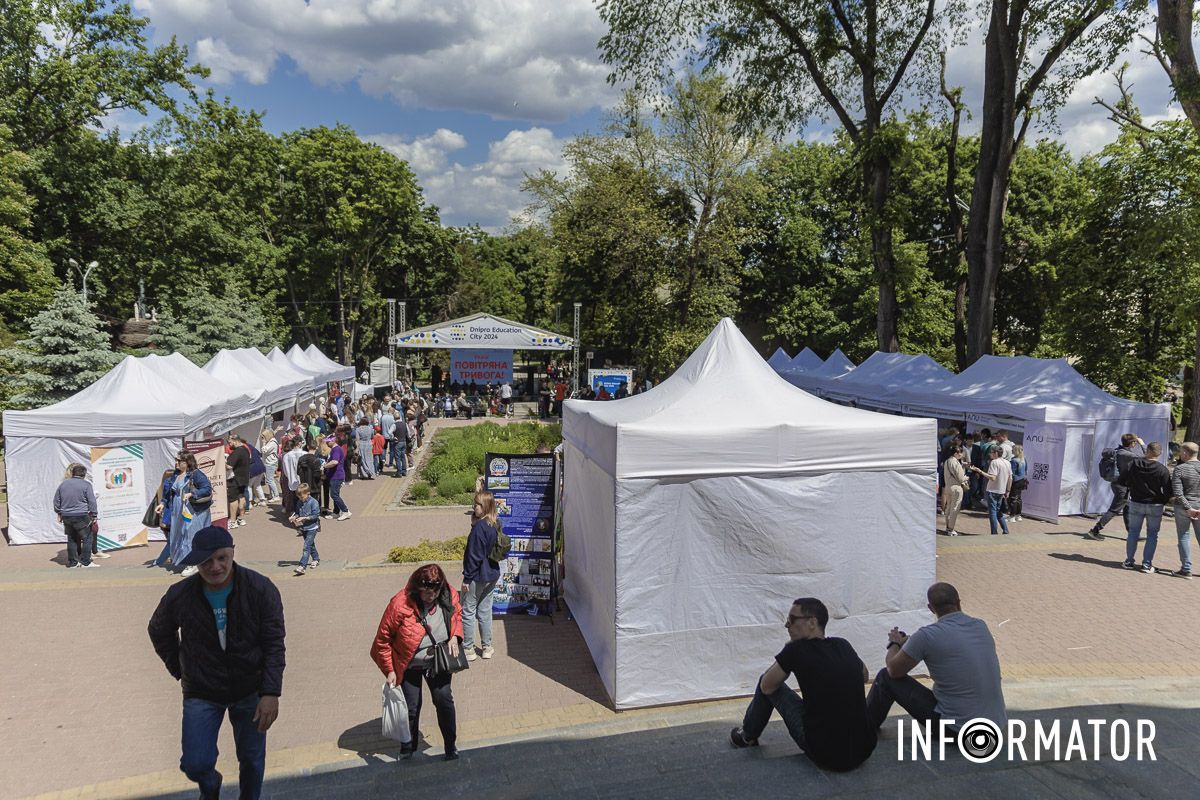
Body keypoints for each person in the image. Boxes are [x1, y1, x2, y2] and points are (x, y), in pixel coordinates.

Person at [147, 526, 285, 800]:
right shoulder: (180, 594)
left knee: (251, 758)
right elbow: (158, 630)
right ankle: (210, 786)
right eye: (206, 561)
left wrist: (270, 692)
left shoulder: (260, 589)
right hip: (202, 692)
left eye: (222, 557)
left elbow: (274, 644)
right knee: (195, 763)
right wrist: (182, 669)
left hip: (249, 690)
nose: (215, 567)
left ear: (233, 552)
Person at [729, 597, 876, 772]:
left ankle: (747, 736)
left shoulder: (795, 650)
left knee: (766, 679)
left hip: (827, 754)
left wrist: (788, 650)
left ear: (812, 622)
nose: (787, 625)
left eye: (791, 620)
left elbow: (767, 687)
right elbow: (865, 676)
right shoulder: (843, 644)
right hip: (864, 749)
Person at [865, 582, 1006, 731]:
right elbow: (950, 641)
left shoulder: (926, 636)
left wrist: (894, 643)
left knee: (885, 678)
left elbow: (893, 670)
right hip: (995, 724)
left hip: (957, 728)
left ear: (931, 608)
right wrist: (911, 641)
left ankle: (864, 729)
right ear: (958, 603)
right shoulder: (980, 625)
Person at [370, 564, 464, 760]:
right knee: (411, 707)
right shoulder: (399, 604)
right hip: (409, 663)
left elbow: (456, 614)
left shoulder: (448, 594)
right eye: (427, 593)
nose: (432, 597)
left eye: (435, 593)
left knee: (444, 701)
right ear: (418, 589)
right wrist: (389, 670)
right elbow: (382, 641)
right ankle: (408, 746)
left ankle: (450, 745)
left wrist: (455, 635)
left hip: (438, 661)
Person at [1120, 441, 1173, 573]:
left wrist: (1132, 487)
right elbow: (1168, 491)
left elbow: (1122, 479)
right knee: (1152, 535)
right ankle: (1146, 564)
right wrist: (1162, 501)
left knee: (1133, 532)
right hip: (1155, 504)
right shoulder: (1162, 469)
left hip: (1136, 501)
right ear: (1159, 454)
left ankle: (1129, 560)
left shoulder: (1133, 464)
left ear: (1147, 451)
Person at [461, 490, 501, 661]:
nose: (474, 507)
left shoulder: (479, 528)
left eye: (477, 504)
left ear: (484, 507)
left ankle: (468, 648)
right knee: (485, 611)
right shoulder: (495, 523)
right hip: (492, 573)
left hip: (477, 576)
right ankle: (487, 647)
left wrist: (466, 579)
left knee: (468, 611)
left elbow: (474, 556)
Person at [1085, 433, 1145, 540]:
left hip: (1120, 485)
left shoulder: (1120, 451)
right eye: (1135, 442)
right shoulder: (1125, 454)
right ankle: (1094, 531)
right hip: (1122, 487)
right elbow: (1145, 457)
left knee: (1128, 508)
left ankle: (1132, 534)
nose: (1136, 444)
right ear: (1132, 443)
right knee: (1114, 510)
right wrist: (1142, 444)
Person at [163, 452, 214, 577]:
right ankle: (185, 559)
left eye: (178, 460)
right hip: (178, 510)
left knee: (190, 534)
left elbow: (207, 488)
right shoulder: (176, 474)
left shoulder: (196, 474)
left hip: (191, 510)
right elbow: (170, 492)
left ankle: (193, 563)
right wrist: (162, 504)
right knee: (180, 534)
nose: (176, 462)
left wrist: (192, 494)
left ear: (186, 462)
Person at [54, 463, 98, 569]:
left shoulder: (63, 485)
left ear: (73, 473)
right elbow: (91, 501)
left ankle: (73, 563)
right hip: (81, 515)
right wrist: (94, 515)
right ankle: (86, 562)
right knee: (87, 538)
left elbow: (56, 500)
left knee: (72, 539)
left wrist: (59, 512)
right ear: (84, 474)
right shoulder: (86, 485)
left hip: (67, 516)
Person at [1171, 442, 1200, 579]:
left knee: (1183, 536)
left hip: (1184, 507)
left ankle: (1186, 569)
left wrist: (1188, 507)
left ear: (1185, 454)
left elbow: (1177, 492)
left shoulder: (1180, 469)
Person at [970, 447, 1011, 535]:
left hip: (993, 490)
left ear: (996, 453)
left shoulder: (994, 462)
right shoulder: (1007, 462)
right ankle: (1005, 530)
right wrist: (1008, 490)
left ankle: (994, 532)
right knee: (998, 511)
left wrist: (980, 471)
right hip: (1001, 490)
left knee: (992, 512)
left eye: (991, 452)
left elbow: (992, 477)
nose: (990, 454)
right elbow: (1010, 477)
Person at [151, 467, 180, 569]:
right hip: (169, 519)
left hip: (163, 521)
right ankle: (159, 561)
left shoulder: (160, 490)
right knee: (171, 542)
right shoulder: (168, 491)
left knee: (171, 541)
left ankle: (172, 558)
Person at [289, 484, 321, 576]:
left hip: (312, 528)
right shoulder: (299, 502)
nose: (301, 499)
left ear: (308, 493)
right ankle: (316, 558)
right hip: (304, 528)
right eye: (299, 497)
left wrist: (305, 518)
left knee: (306, 547)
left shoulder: (313, 502)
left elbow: (316, 515)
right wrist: (294, 517)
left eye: (302, 497)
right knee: (311, 545)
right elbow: (298, 512)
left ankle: (302, 566)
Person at [941, 445, 969, 536]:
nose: (961, 454)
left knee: (948, 508)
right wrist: (966, 477)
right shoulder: (955, 462)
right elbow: (961, 478)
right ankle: (951, 529)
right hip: (956, 487)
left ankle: (948, 527)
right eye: (960, 452)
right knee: (954, 509)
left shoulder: (947, 461)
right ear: (956, 453)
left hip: (948, 487)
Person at [225, 434, 250, 529]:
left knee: (233, 500)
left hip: (234, 479)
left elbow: (229, 466)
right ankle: (241, 518)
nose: (229, 445)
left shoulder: (237, 451)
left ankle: (232, 521)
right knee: (241, 497)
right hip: (244, 478)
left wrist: (222, 462)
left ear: (235, 441)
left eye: (229, 442)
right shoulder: (245, 449)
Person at [324, 434, 351, 521]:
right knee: (335, 494)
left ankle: (345, 511)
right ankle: (336, 512)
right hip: (334, 475)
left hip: (336, 476)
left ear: (333, 441)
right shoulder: (335, 449)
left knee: (334, 495)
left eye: (328, 441)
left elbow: (335, 462)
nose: (327, 443)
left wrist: (324, 466)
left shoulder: (336, 449)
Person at [280, 437, 304, 516]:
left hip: (291, 480)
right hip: (301, 479)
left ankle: (292, 511)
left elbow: (285, 470)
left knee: (292, 496)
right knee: (300, 496)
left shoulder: (286, 455)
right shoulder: (304, 454)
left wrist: (290, 476)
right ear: (299, 443)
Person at [258, 429, 281, 504]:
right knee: (269, 480)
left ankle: (276, 495)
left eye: (263, 437)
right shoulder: (271, 441)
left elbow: (264, 450)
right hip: (269, 462)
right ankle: (272, 494)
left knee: (270, 480)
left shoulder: (272, 443)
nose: (262, 439)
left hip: (270, 463)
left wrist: (264, 443)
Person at [1008, 445, 1028, 522]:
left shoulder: (1013, 460)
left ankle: (1012, 516)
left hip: (1015, 481)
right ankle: (1018, 515)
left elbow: (1011, 472)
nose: (1012, 451)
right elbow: (1026, 469)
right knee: (1018, 498)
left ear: (1016, 451)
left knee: (1013, 498)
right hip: (1022, 480)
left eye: (1013, 450)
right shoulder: (1024, 459)